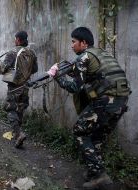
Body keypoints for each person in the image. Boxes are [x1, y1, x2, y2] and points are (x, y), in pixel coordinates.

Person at [47, 27, 130, 189]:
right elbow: (96, 77)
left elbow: (74, 88)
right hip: (121, 101)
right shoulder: (102, 54)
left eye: (73, 42)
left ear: (83, 43)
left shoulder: (83, 57)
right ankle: (94, 172)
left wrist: (56, 76)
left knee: (79, 132)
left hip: (106, 101)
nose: (71, 46)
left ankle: (99, 175)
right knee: (96, 138)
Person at [0, 31, 38, 148]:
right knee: (20, 108)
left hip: (14, 86)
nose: (14, 41)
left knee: (10, 108)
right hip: (25, 85)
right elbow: (35, 69)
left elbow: (3, 69)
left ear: (18, 40)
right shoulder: (32, 53)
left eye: (15, 39)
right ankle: (18, 135)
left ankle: (18, 134)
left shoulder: (12, 52)